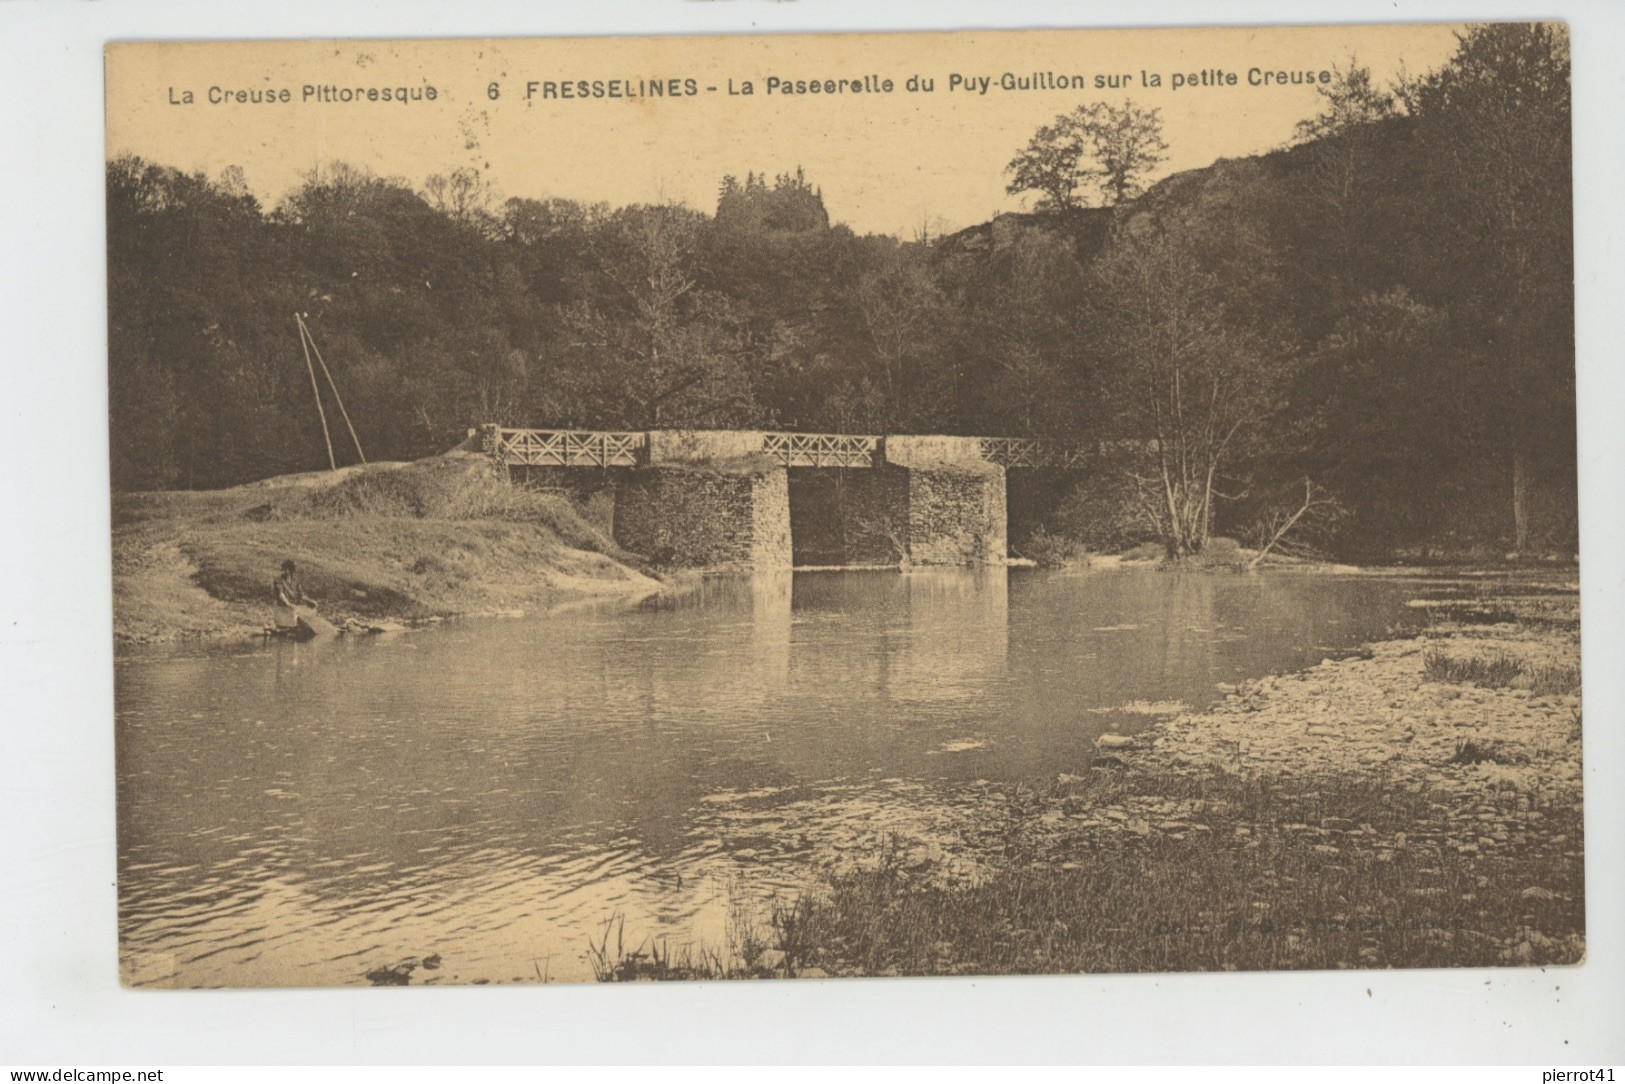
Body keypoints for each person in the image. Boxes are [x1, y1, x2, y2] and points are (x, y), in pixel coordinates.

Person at [273, 559, 314, 629]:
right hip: (283, 605)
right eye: (285, 569)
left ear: (291, 570)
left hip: (294, 604)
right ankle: (293, 625)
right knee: (296, 613)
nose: (286, 571)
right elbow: (281, 594)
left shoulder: (296, 581)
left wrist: (310, 601)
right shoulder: (279, 580)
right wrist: (289, 604)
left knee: (311, 609)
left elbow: (302, 595)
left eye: (288, 570)